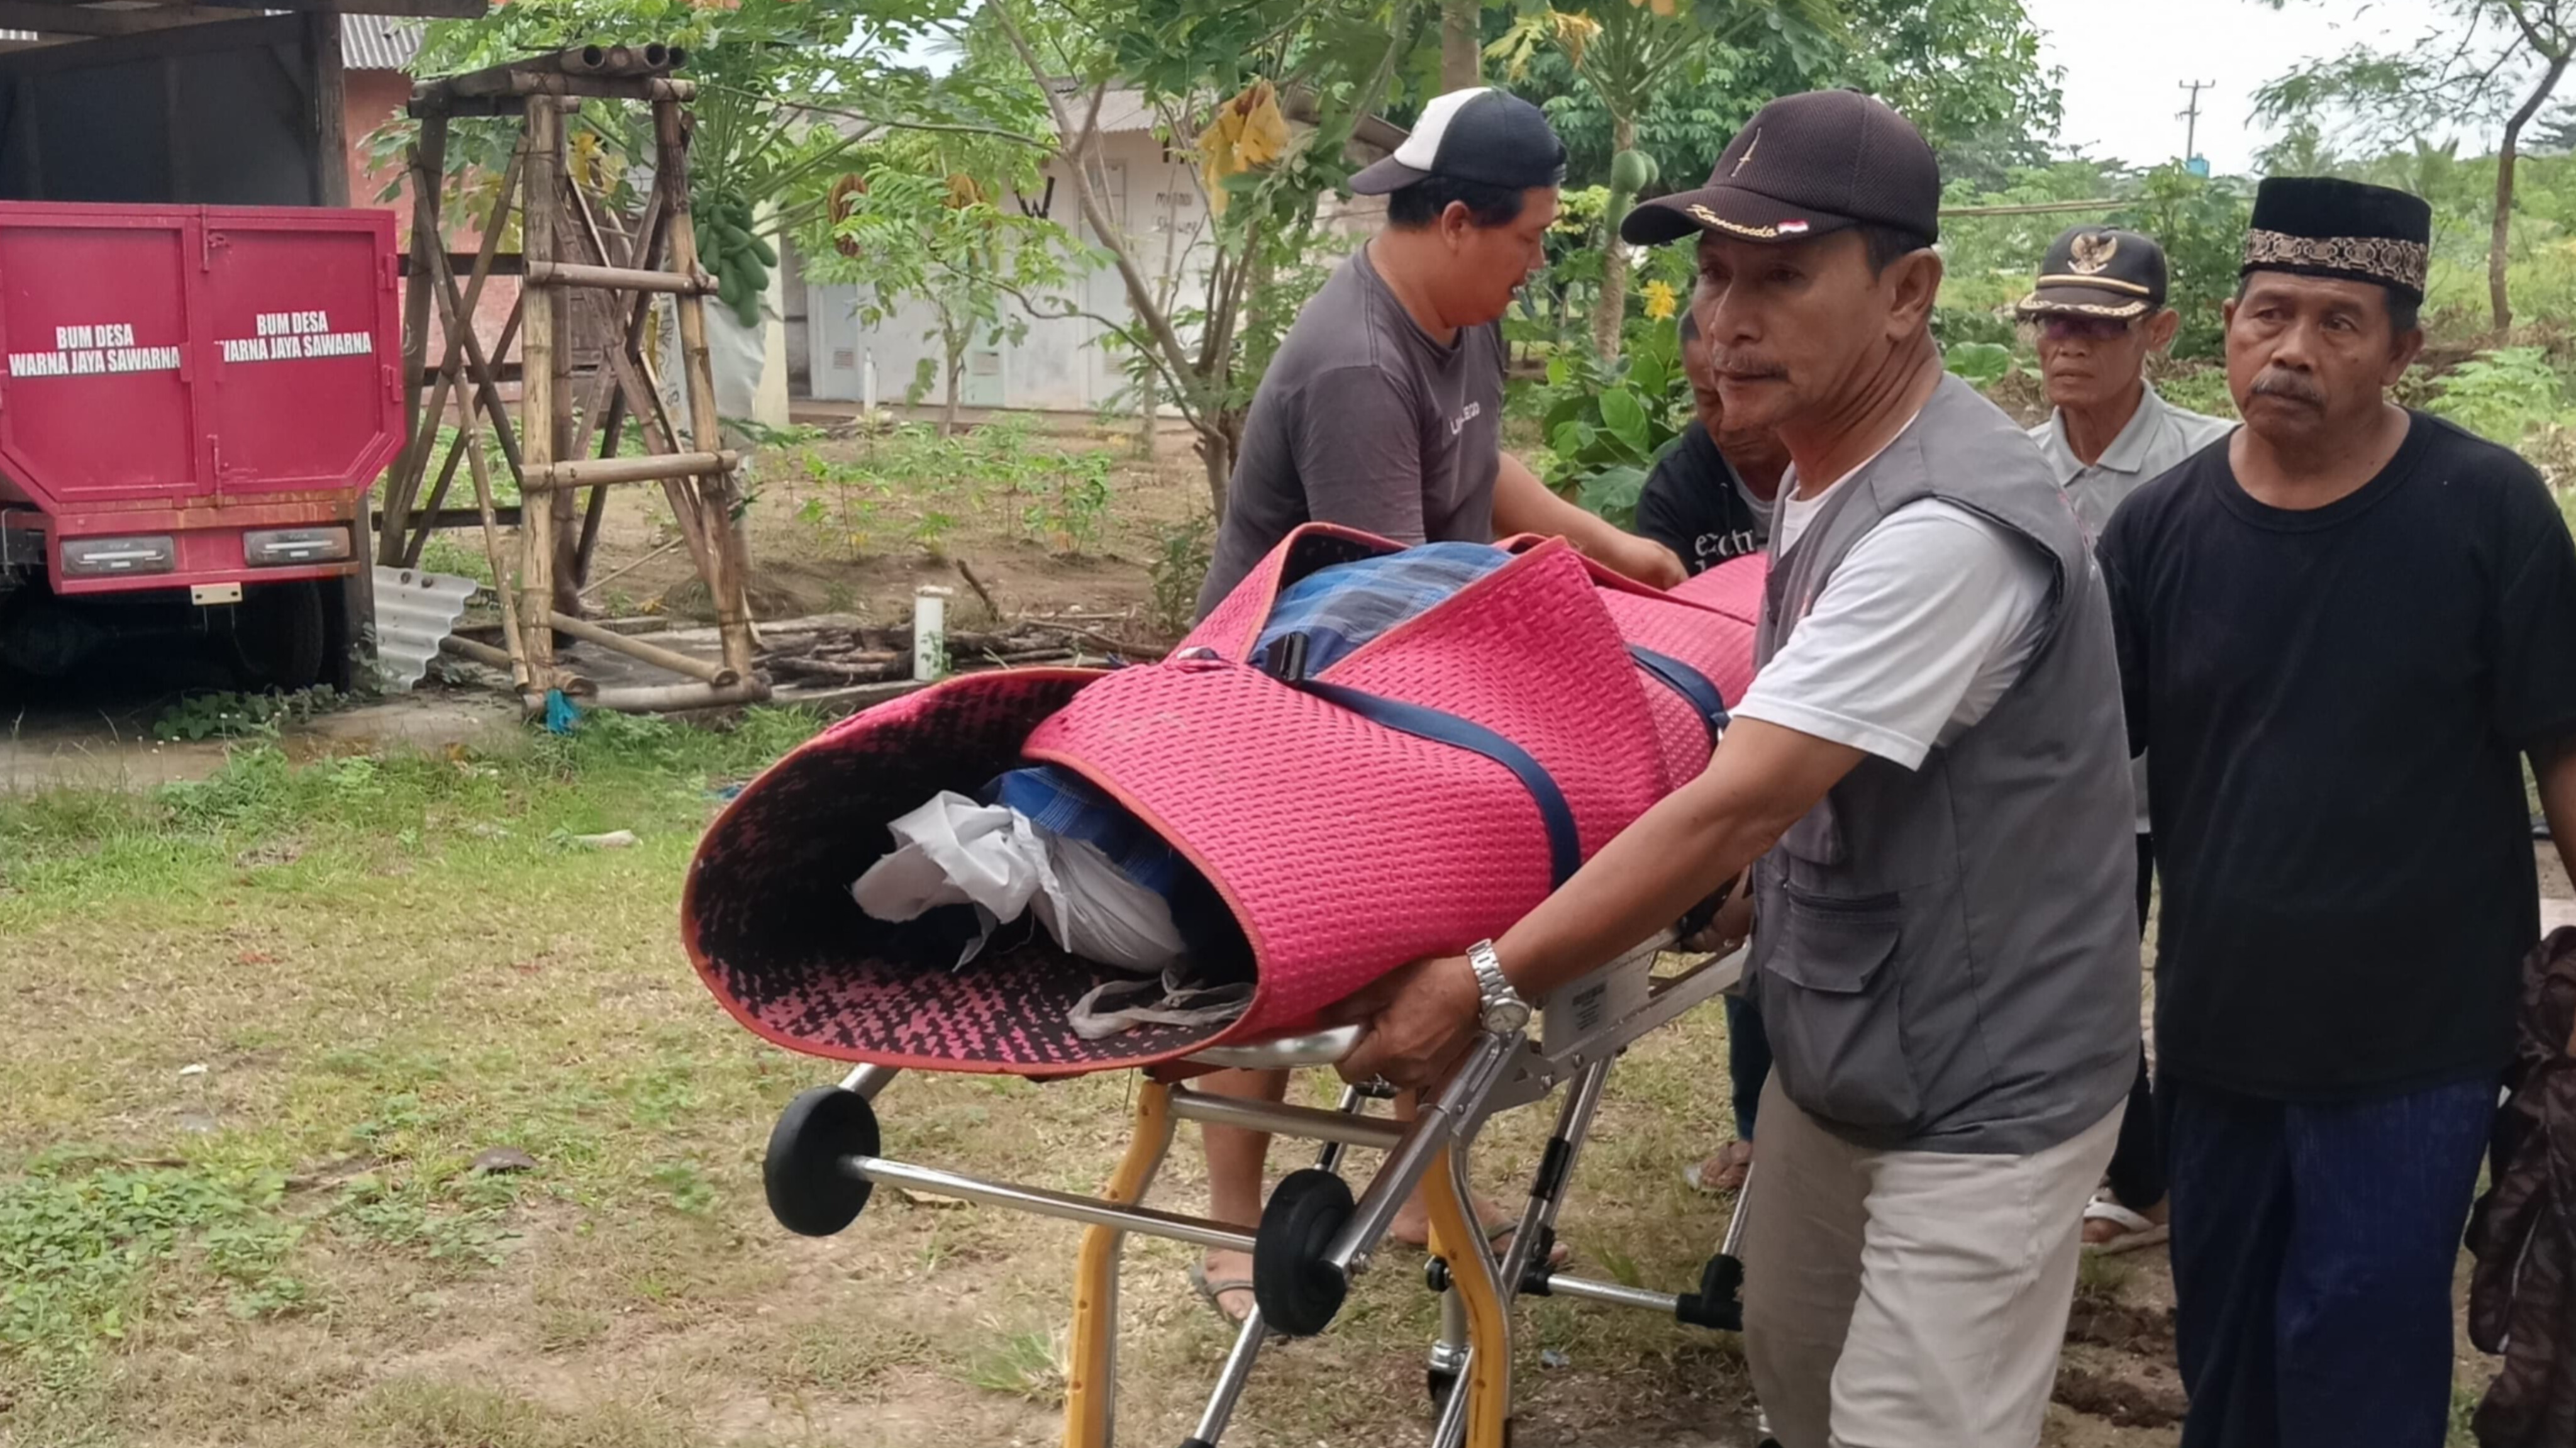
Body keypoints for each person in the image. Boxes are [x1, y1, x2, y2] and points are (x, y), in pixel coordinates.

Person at [1333, 89, 2140, 1447]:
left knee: (1909, 1423)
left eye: (1780, 274)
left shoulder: (1947, 525)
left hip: (1985, 1081)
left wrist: (1480, 982)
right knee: (1799, 1375)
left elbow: (1740, 793)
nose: (1725, 318)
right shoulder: (1817, 466)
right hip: (1844, 1043)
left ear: (1908, 291)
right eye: (1711, 273)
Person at [1187, 86, 1684, 1325]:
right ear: (1456, 220)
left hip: (1399, 691)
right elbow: (1391, 609)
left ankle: (1416, 1193)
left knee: (1442, 947)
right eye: (1525, 239)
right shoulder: (1356, 360)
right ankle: (1226, 1225)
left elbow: (1475, 457)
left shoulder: (1453, 322)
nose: (1532, 263)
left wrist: (1602, 544)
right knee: (1276, 962)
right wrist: (1545, 652)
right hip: (1290, 703)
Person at [2098, 175, 2576, 1448]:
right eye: (2268, 314)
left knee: (2359, 1342)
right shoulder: (2155, 532)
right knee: (2226, 1343)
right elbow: (2085, 763)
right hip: (2214, 1024)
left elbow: (2562, 749)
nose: (2292, 349)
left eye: (2337, 322)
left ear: (2402, 350)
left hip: (2413, 1043)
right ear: (2223, 323)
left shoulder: (2485, 511)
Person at [2017, 226, 2235, 1254]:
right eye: (2054, 319)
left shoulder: (2211, 461)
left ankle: (2208, 1174)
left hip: (2192, 780)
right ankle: (2145, 1181)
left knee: (2203, 982)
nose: (2069, 342)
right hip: (2070, 784)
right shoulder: (2012, 470)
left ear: (2160, 331)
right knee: (2084, 982)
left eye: (2100, 323)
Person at [1633, 305, 1788, 1196]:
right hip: (1733, 730)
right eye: (1704, 395)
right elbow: (1672, 631)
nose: (1725, 415)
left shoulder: (1831, 464)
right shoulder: (1684, 481)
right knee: (1747, 948)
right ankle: (1753, 1127)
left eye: (1738, 390)